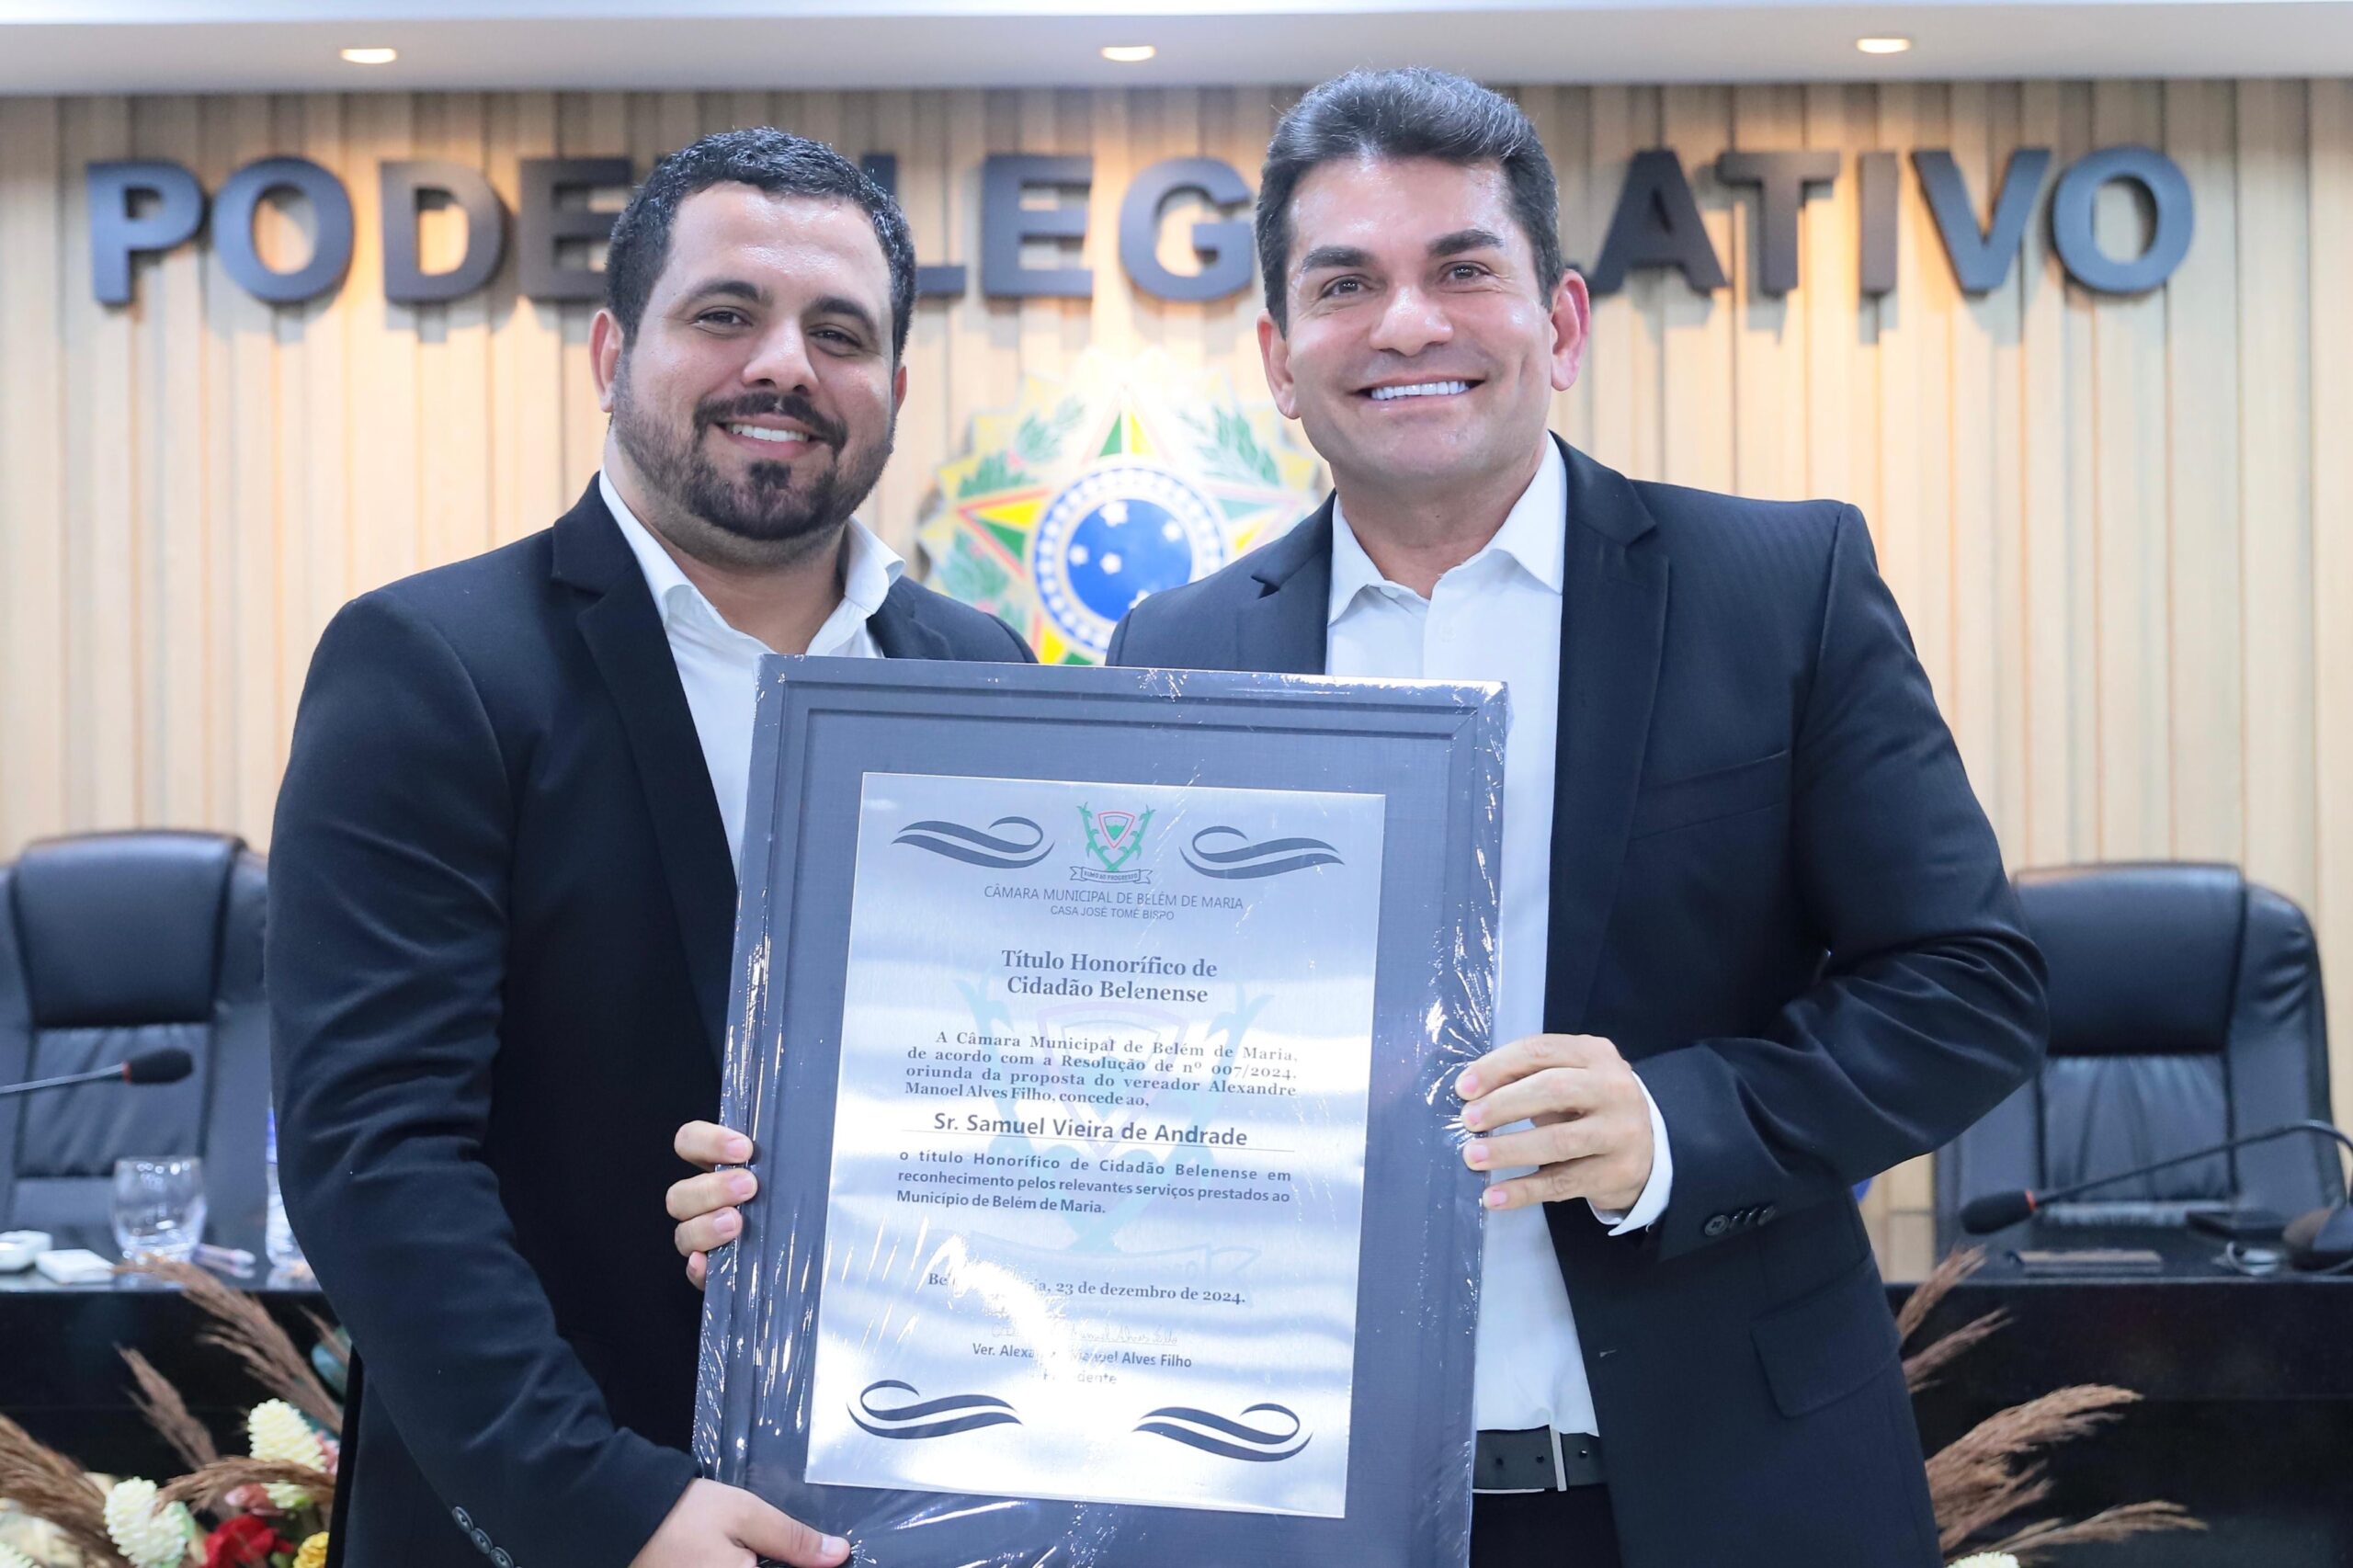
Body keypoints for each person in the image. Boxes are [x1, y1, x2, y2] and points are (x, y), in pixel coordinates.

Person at [669, 71, 2046, 1567]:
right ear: (1279, 355)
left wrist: (1674, 1123)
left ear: (1562, 321)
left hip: (1720, 1489)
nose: (1406, 324)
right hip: (1290, 1512)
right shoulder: (1182, 645)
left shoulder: (1777, 589)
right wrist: (827, 1190)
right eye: (1345, 284)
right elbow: (1109, 1062)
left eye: (1461, 269)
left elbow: (1972, 985)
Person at [270, 128, 1032, 1568]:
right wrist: (609, 1506)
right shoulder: (430, 665)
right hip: (580, 1520)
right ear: (612, 353)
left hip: (932, 1508)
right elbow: (376, 1156)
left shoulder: (978, 666)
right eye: (726, 314)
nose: (785, 365)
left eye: (840, 333)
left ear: (896, 387)